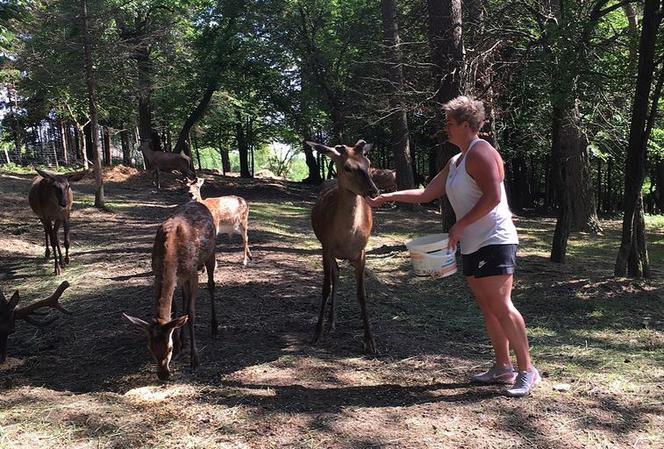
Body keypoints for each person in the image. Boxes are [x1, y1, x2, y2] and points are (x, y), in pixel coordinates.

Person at [365, 96, 540, 397]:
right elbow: (426, 194)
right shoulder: (456, 161)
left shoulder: (481, 152)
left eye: (449, 123)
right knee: (488, 307)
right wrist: (387, 197)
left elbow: (493, 198)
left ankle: (527, 370)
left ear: (466, 125)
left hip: (494, 240)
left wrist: (459, 225)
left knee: (501, 305)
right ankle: (503, 367)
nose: (445, 128)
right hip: (472, 244)